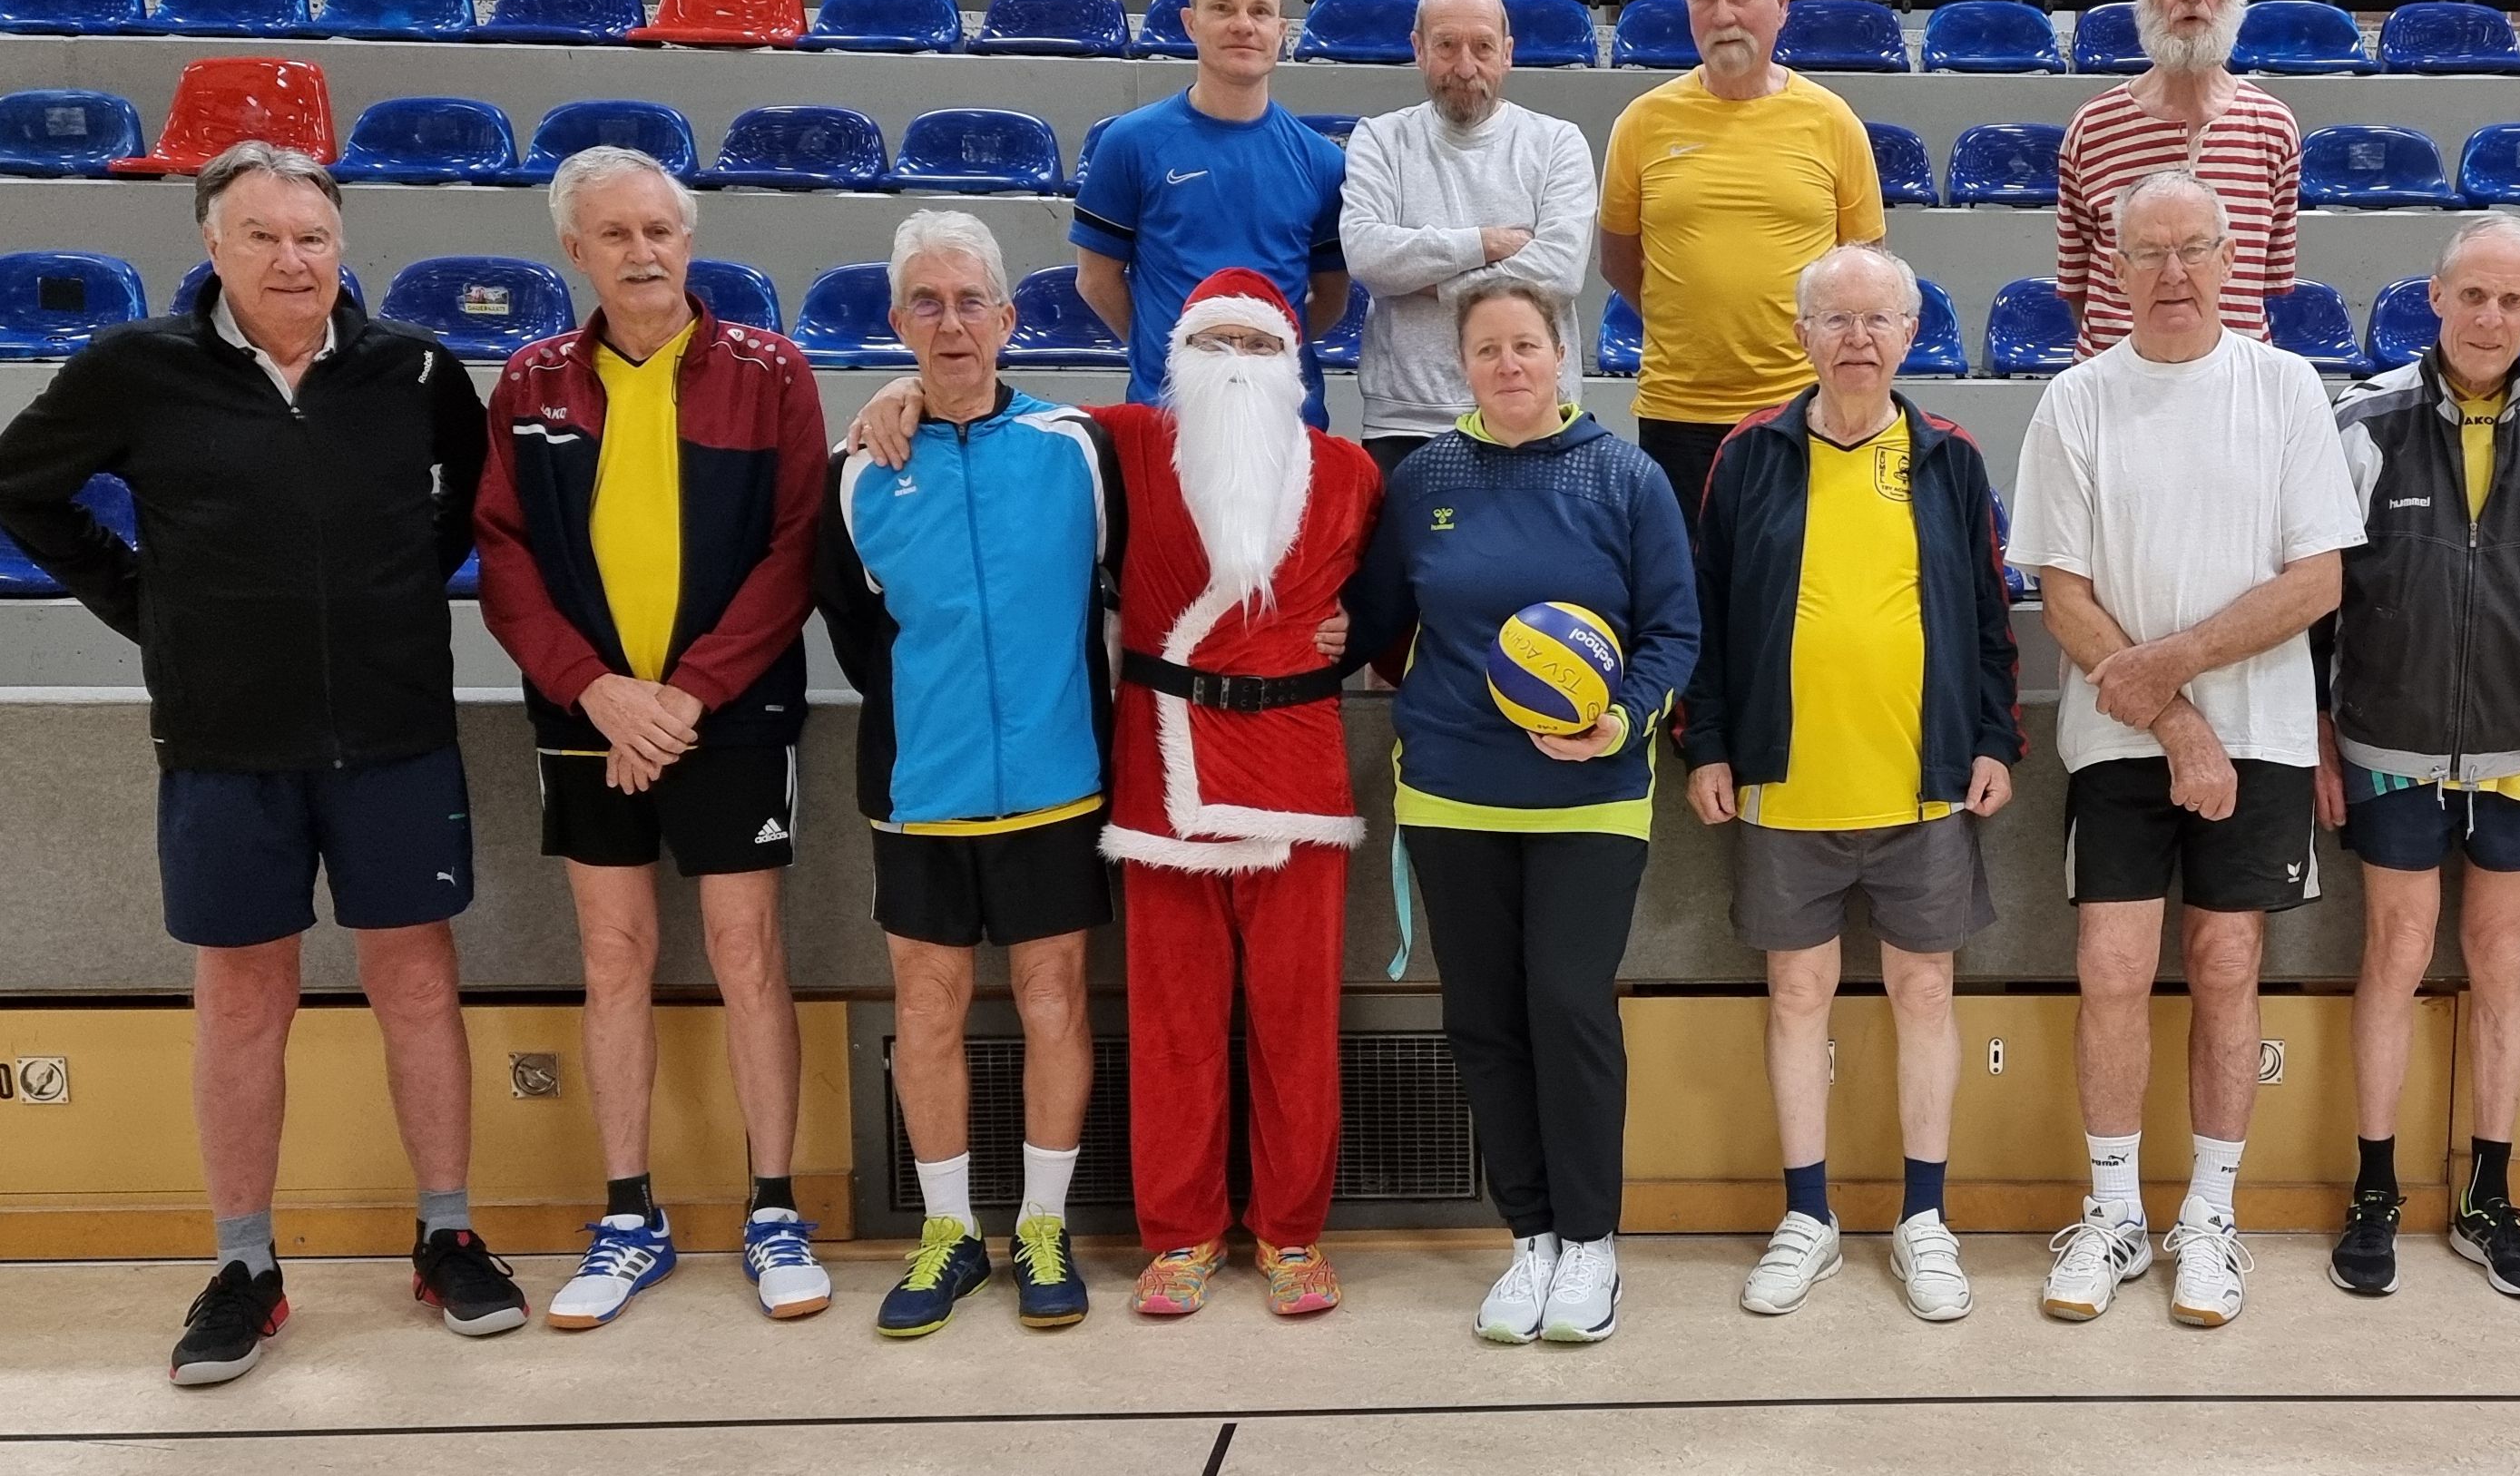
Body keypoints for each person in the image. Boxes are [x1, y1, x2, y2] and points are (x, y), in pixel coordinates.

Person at [0, 142, 517, 1383]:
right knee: (240, 998)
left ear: (343, 247)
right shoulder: (135, 369)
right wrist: (147, 607)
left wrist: (393, 596)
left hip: (394, 732)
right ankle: (244, 1263)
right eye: (264, 236)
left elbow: (466, 508)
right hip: (224, 741)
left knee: (418, 981)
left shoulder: (417, 370)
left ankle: (448, 1233)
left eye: (313, 237)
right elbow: (21, 487)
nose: (293, 259)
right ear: (212, 245)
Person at [856, 267, 1385, 1323]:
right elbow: (996, 414)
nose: (1235, 366)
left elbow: (1390, 596)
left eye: (1257, 345)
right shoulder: (1123, 445)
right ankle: (1181, 1231)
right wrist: (905, 390)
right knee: (1173, 1023)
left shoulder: (1353, 471)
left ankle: (1292, 1232)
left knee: (1296, 1023)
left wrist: (1356, 629)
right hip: (1164, 775)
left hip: (1296, 774)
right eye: (1215, 344)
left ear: (1294, 364)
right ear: (1177, 360)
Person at [475, 146, 830, 1331]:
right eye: (616, 234)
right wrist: (598, 691)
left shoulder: (772, 372)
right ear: (574, 248)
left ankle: (774, 1208)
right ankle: (629, 1215)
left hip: (731, 714)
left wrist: (685, 696)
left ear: (689, 241)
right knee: (614, 953)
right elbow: (504, 560)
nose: (643, 252)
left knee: (747, 951)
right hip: (590, 720)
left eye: (660, 230)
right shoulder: (528, 383)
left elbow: (795, 548)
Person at [2009, 171, 2357, 1329]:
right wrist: (2172, 717)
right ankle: (2112, 1212)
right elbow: (2062, 594)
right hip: (2117, 740)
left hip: (2261, 738)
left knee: (2224, 964)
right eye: (2147, 252)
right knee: (2110, 967)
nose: (2171, 272)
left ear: (2229, 257)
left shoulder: (2286, 387)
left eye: (2192, 248)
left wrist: (2177, 663)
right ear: (2112, 267)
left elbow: (2317, 578)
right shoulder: (2075, 400)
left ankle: (2209, 1216)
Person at [1343, 280, 1700, 1345]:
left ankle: (1590, 1242)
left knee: (1567, 1002)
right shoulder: (1426, 478)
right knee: (1484, 1017)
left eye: (1526, 345)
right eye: (1487, 348)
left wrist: (1618, 721)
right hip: (1451, 787)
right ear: (1462, 364)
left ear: (1559, 354)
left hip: (1590, 792)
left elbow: (1675, 632)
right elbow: (1376, 615)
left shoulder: (1624, 476)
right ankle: (1530, 1237)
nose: (1508, 364)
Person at [1682, 244, 2023, 1324]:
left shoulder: (1949, 456)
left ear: (1910, 336)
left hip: (1923, 787)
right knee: (1796, 995)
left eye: (1878, 319)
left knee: (1926, 993)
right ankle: (1807, 1217)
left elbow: (1988, 618)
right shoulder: (1748, 454)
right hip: (1785, 790)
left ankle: (1924, 1218)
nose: (1858, 338)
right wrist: (1706, 743)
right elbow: (1706, 617)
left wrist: (1994, 738)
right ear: (1803, 336)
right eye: (1836, 319)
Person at [816, 212, 1124, 1338]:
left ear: (1009, 317)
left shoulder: (1076, 447)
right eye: (928, 303)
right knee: (926, 1006)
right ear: (898, 322)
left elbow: (1129, 581)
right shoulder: (854, 473)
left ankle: (1042, 1224)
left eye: (970, 302)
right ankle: (948, 1232)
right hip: (921, 790)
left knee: (1053, 1000)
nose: (951, 323)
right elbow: (857, 634)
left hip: (1057, 779)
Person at [2312, 213, 2520, 1303]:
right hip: (2384, 745)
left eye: (2511, 299)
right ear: (2434, 297)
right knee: (2394, 951)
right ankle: (2374, 1188)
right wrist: (2316, 741)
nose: (2489, 317)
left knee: (2499, 958)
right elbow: (2311, 600)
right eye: (2472, 294)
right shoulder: (2361, 421)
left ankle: (2489, 1197)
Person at [1598, 0, 1889, 523]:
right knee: (1687, 580)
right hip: (1676, 412)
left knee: (1792, 577)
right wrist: (1692, 323)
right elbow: (1619, 259)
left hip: (1801, 409)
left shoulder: (1833, 122)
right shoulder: (1641, 123)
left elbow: (1864, 273)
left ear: (1781, 3)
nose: (1723, 15)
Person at [1073, 0, 1351, 420]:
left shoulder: (1323, 162)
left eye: (1260, 11)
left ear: (1281, 31)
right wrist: (1173, 351)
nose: (1243, 25)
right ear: (1191, 23)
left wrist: (1260, 356)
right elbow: (1096, 280)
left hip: (1287, 422)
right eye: (1222, 8)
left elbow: (1331, 299)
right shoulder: (1130, 143)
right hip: (1167, 417)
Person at [1340, 0, 1598, 479]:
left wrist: (1428, 283)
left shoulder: (1557, 144)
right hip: (1407, 422)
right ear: (1418, 49)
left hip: (1533, 417)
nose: (1464, 67)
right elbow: (1367, 255)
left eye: (1482, 47)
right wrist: (1484, 243)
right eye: (1446, 46)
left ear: (1507, 53)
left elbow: (1560, 272)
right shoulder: (1380, 140)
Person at [2052, 0, 2299, 351]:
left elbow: (2270, 285)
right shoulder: (2093, 128)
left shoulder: (2274, 127)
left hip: (2235, 385)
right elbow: (2078, 288)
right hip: (2118, 383)